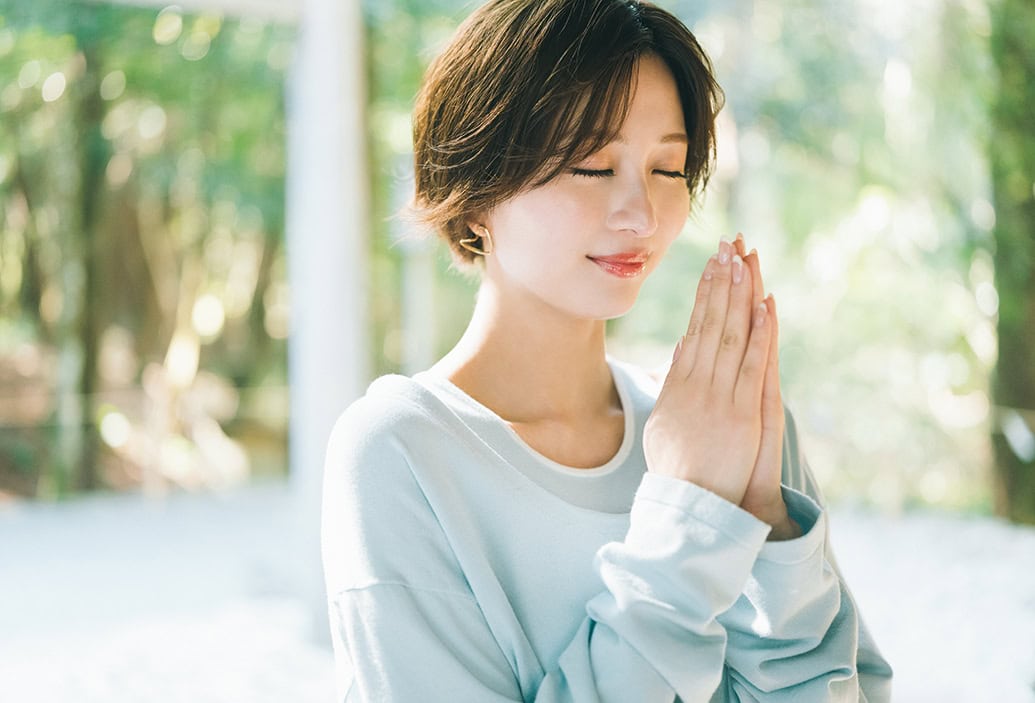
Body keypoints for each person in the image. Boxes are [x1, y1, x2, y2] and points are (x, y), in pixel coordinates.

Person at [321, 0, 894, 700]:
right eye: (592, 166)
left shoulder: (724, 425)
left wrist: (767, 523)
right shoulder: (401, 451)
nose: (641, 215)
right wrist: (690, 512)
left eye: (668, 168)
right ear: (474, 191)